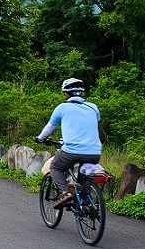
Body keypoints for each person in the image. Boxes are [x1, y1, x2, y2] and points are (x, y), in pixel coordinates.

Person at [33, 78, 102, 209]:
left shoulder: (62, 108)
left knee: (56, 167)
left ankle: (65, 193)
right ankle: (86, 205)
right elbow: (92, 124)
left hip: (72, 150)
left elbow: (50, 126)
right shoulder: (93, 107)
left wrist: (40, 138)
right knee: (85, 179)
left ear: (66, 93)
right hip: (94, 151)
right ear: (82, 93)